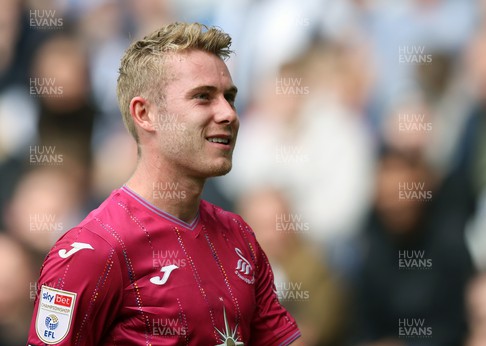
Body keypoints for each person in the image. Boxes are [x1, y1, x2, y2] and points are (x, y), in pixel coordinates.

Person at [27, 22, 303, 345]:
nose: (228, 113)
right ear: (145, 114)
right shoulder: (89, 252)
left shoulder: (239, 237)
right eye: (203, 97)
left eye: (229, 97)